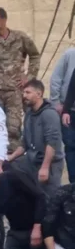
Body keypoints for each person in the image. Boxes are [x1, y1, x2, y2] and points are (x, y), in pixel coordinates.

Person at [0, 7, 40, 152]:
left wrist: (29, 77)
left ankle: (13, 158)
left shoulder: (20, 37)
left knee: (14, 127)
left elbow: (35, 56)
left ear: (4, 20)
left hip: (15, 90)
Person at [9, 79, 64, 195]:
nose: (24, 96)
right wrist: (10, 158)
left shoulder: (49, 114)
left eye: (28, 92)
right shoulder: (29, 114)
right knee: (10, 169)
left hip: (50, 164)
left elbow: (52, 144)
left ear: (39, 94)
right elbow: (24, 144)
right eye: (24, 92)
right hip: (32, 161)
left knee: (50, 199)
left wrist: (45, 168)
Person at [52, 47, 75, 183]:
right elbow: (57, 79)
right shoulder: (70, 54)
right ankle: (73, 184)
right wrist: (58, 104)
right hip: (69, 111)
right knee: (71, 147)